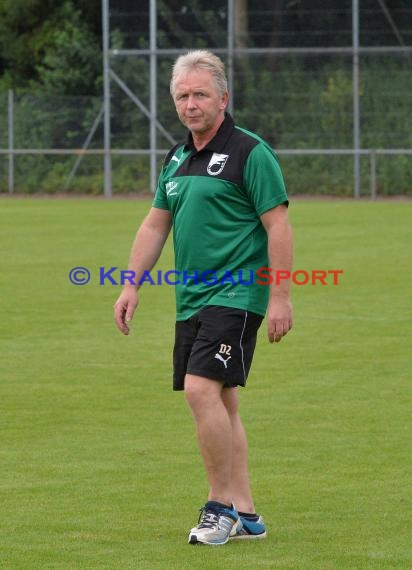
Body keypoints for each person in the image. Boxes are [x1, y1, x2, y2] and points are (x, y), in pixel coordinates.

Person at [114, 50, 293, 546]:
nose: (190, 104)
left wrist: (280, 296)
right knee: (222, 399)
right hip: (190, 297)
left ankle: (219, 508)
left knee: (199, 389)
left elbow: (277, 224)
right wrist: (132, 284)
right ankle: (247, 511)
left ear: (222, 98)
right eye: (182, 96)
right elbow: (155, 224)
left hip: (238, 293)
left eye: (200, 94)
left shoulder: (250, 152)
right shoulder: (176, 157)